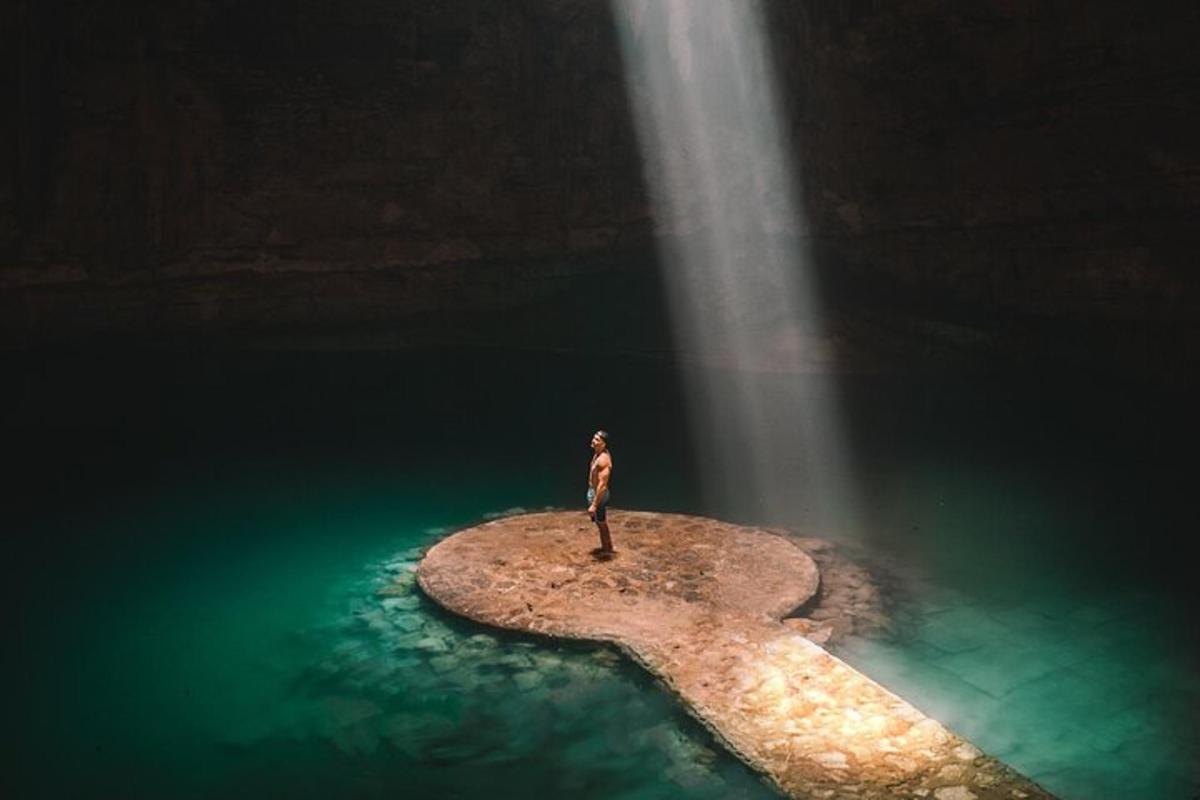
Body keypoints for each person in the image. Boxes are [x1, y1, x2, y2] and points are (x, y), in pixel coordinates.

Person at [587, 429, 614, 557]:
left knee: (602, 523)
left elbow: (602, 485)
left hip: (599, 495)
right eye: (594, 438)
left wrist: (594, 504)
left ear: (604, 444)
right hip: (594, 492)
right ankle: (607, 547)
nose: (594, 441)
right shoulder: (597, 454)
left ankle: (607, 550)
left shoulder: (603, 460)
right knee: (599, 522)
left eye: (597, 440)